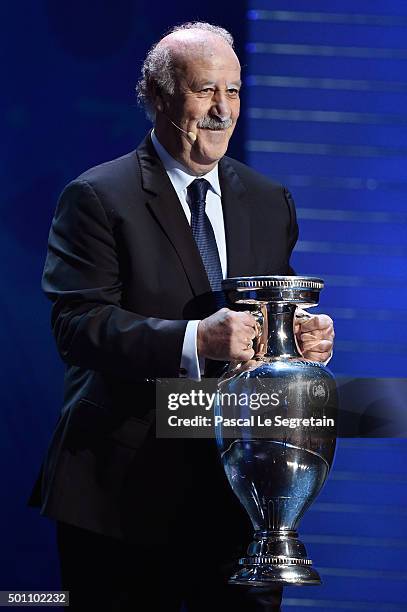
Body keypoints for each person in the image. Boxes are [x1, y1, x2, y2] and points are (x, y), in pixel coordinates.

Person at [29, 22, 334, 612]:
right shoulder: (97, 197)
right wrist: (196, 339)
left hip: (241, 493)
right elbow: (77, 326)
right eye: (205, 91)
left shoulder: (270, 201)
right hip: (122, 496)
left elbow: (269, 319)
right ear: (158, 96)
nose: (223, 110)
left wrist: (298, 339)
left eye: (235, 91)